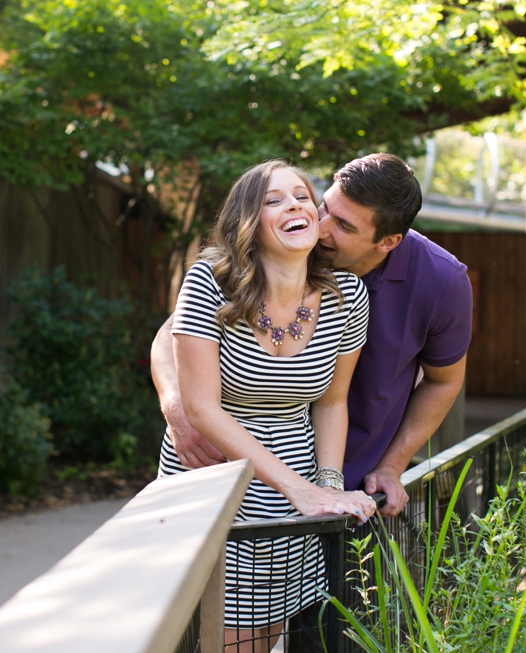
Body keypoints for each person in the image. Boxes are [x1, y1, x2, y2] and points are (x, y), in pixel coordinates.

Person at [154, 153, 473, 519]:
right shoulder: (287, 248)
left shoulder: (438, 282)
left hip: (351, 477)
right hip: (226, 470)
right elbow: (175, 332)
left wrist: (390, 466)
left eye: (344, 226)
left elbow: (443, 383)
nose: (321, 227)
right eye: (324, 206)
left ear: (387, 241)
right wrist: (180, 407)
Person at [157, 160, 377, 652]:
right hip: (214, 479)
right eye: (272, 200)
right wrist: (298, 490)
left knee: (257, 641)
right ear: (247, 224)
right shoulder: (209, 283)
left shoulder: (349, 297)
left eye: (302, 196)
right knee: (203, 637)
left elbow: (333, 400)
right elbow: (201, 409)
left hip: (290, 493)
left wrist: (327, 485)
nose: (294, 205)